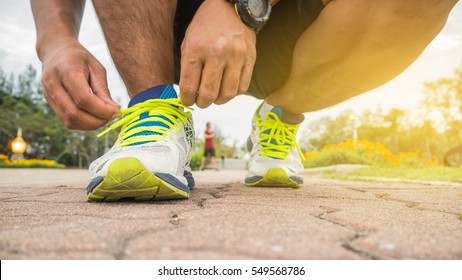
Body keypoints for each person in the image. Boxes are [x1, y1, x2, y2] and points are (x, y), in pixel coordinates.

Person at [31, 0, 458, 201]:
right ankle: (155, 110)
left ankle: (281, 114)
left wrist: (239, 6)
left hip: (304, 24)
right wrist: (54, 40)